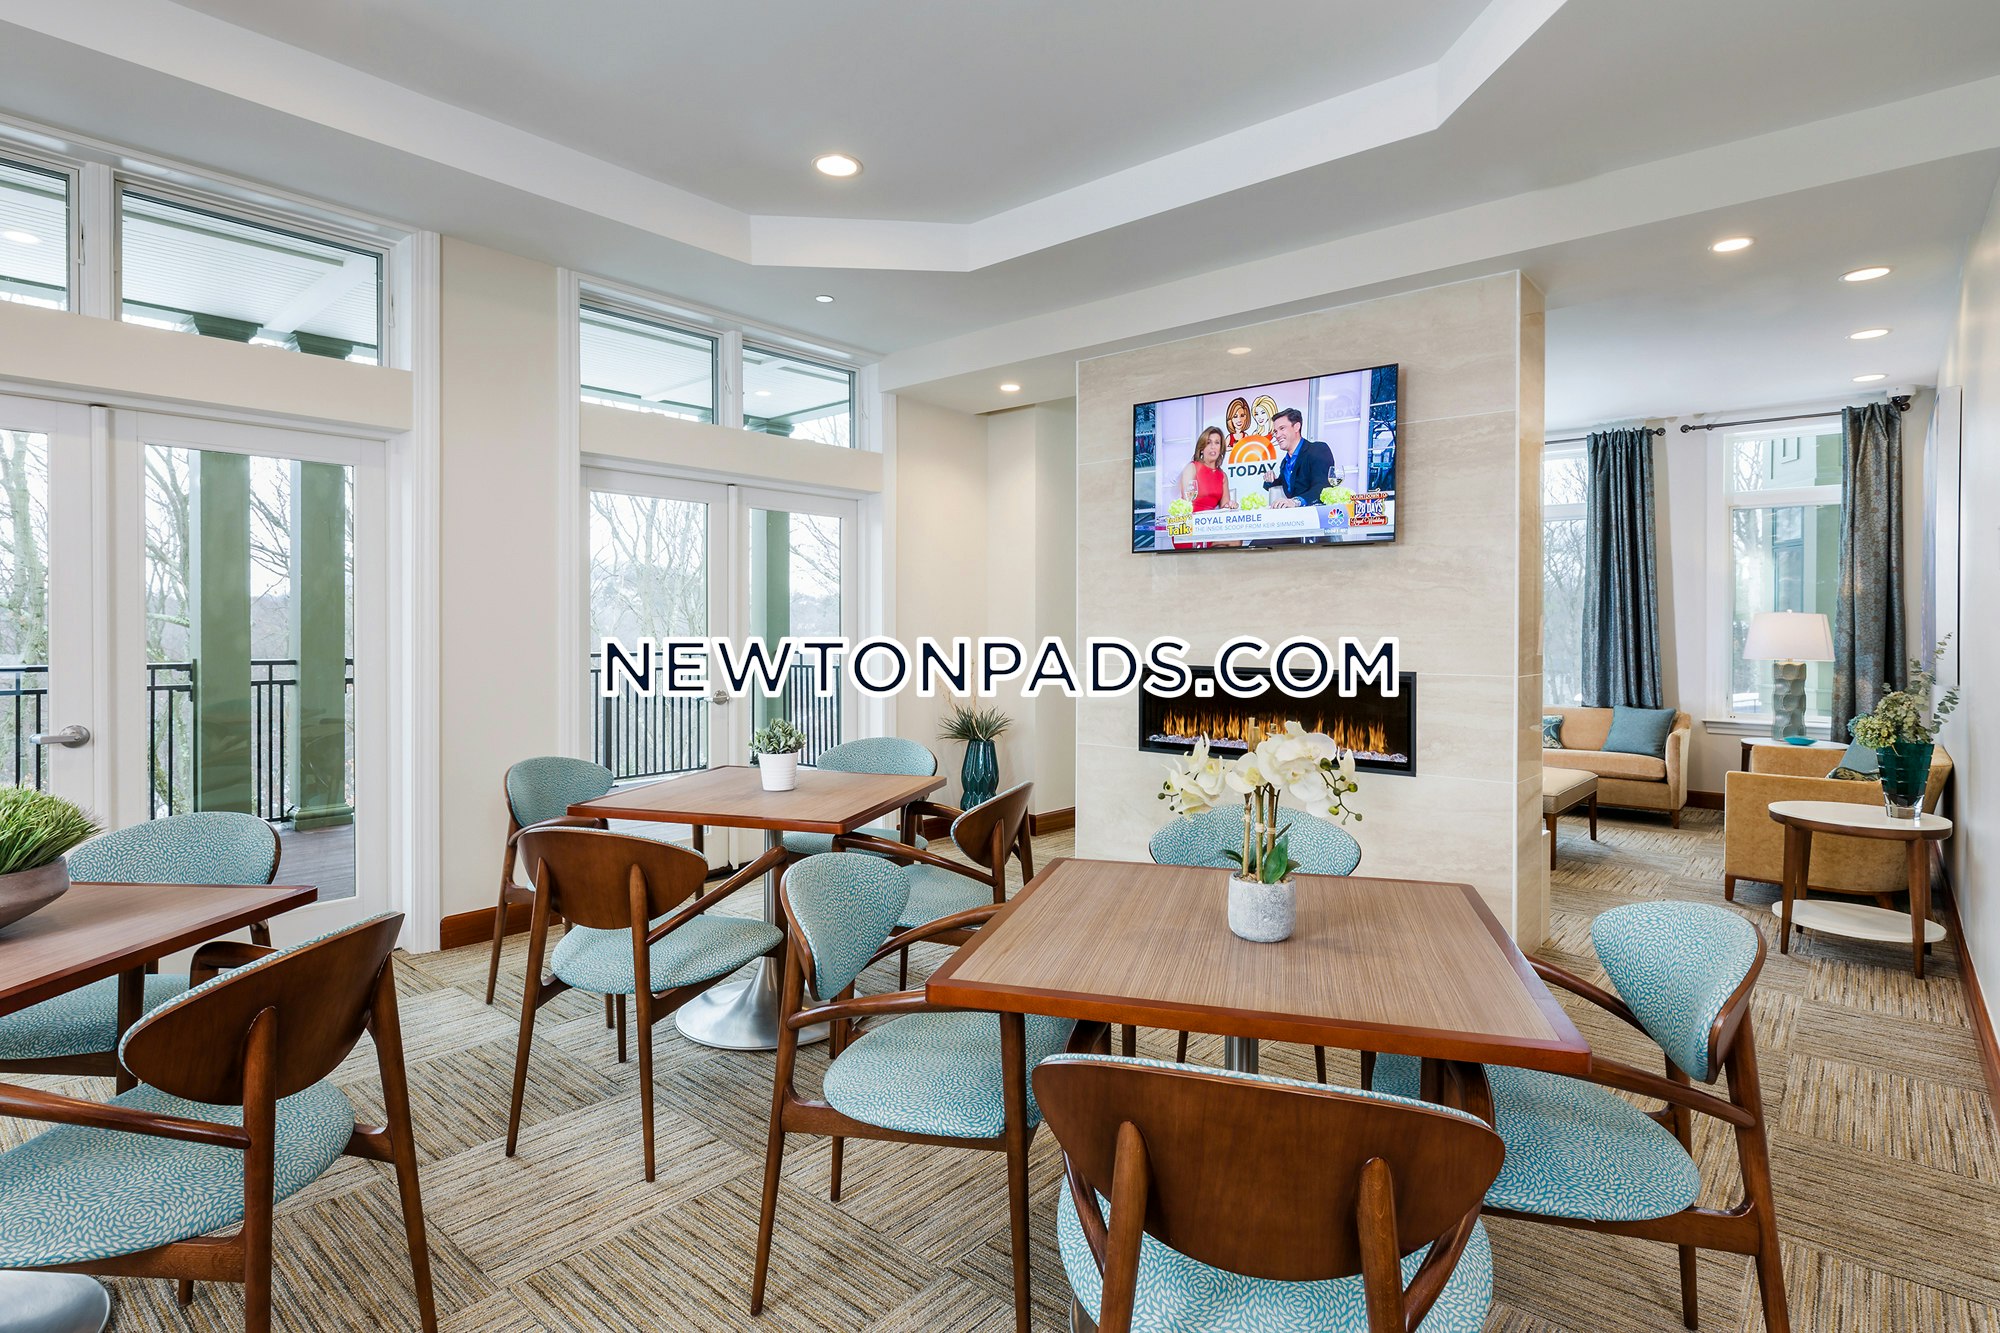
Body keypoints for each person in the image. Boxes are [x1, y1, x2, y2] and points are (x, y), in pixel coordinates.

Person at [1260, 408, 1335, 507]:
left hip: (1316, 514)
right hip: (1295, 515)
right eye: (1276, 431)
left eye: (1282, 428)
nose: (1277, 435)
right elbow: (1288, 484)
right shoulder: (1285, 462)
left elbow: (1323, 487)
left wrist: (1296, 501)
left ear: (1296, 427)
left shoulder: (1318, 449)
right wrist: (1270, 480)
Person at [1176, 426, 1237, 548]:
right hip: (1188, 525)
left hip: (1210, 525)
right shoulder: (1192, 467)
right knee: (1232, 542)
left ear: (1221, 449)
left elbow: (1225, 507)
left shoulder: (1222, 476)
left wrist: (1231, 505)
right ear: (1202, 448)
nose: (1213, 446)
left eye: (1217, 443)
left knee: (1235, 540)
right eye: (1208, 443)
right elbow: (1186, 502)